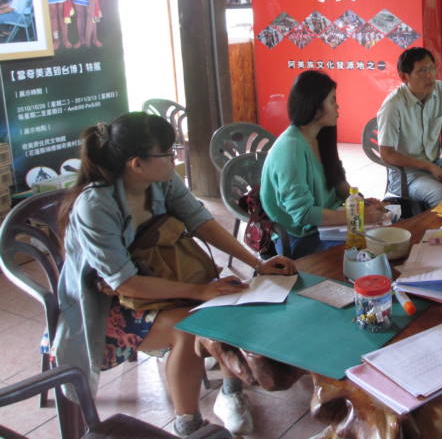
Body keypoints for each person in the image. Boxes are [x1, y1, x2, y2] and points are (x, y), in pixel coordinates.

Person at [52, 112, 296, 437]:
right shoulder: (96, 206)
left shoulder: (161, 181)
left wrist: (256, 264)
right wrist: (199, 292)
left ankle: (230, 392)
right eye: (167, 153)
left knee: (231, 301)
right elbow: (123, 282)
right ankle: (188, 424)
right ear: (137, 164)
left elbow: (201, 222)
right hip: (106, 302)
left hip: (159, 275)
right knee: (188, 328)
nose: (174, 158)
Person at [261, 70, 385, 258]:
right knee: (368, 252)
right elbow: (304, 215)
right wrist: (358, 215)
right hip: (301, 236)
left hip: (328, 226)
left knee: (383, 238)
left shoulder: (320, 136)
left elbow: (337, 181)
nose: (338, 106)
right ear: (315, 108)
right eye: (332, 101)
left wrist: (361, 202)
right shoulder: (291, 148)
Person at [377, 47, 442, 209]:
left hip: (437, 163)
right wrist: (428, 166)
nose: (430, 75)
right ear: (404, 76)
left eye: (432, 68)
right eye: (422, 71)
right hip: (406, 174)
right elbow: (386, 154)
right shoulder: (393, 105)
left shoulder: (440, 90)